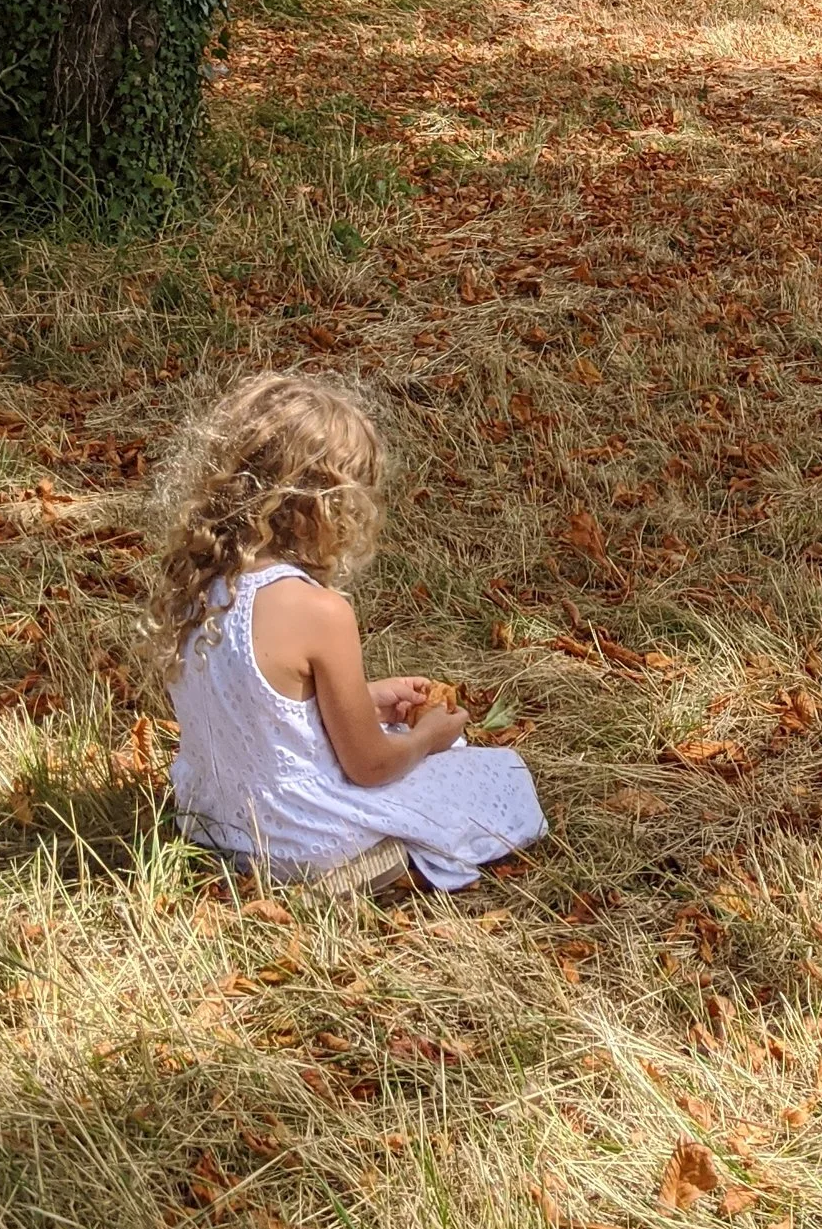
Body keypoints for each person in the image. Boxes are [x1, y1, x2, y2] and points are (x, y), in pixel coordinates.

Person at [154, 371, 545, 893]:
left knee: (406, 740)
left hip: (212, 818)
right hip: (299, 836)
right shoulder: (320, 610)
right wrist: (430, 736)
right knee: (503, 778)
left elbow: (253, 711)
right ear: (326, 506)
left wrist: (366, 699)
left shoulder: (195, 584)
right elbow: (370, 766)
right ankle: (367, 863)